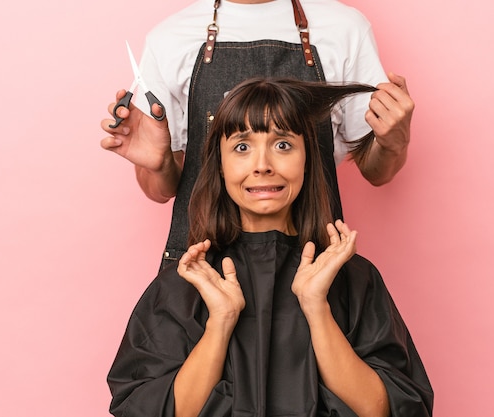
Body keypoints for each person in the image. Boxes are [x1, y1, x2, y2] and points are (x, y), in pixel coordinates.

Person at [107, 78, 432, 417]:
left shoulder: (355, 280)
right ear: (219, 164)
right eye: (242, 147)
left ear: (307, 159)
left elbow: (393, 410)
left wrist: (316, 306)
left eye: (283, 145)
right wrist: (221, 320)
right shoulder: (183, 286)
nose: (262, 165)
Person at [100, 0, 415, 270]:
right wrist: (159, 165)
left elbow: (378, 172)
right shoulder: (170, 38)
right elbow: (160, 190)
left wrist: (393, 139)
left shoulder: (345, 28)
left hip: (314, 270)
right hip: (201, 271)